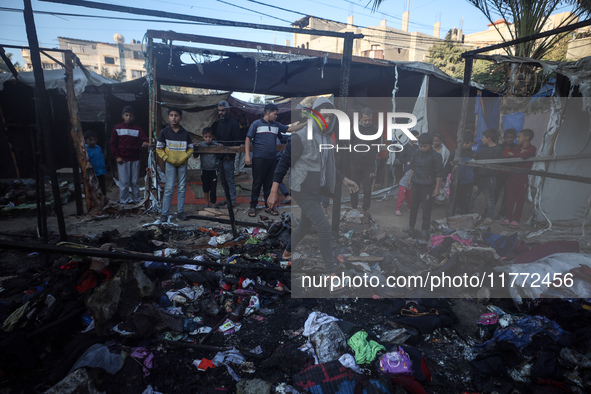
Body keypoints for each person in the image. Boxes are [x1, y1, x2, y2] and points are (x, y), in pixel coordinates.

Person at [267, 97, 358, 274]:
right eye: (324, 116)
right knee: (324, 226)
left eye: (330, 117)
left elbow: (329, 166)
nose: (327, 120)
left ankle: (287, 252)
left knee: (305, 226)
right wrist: (273, 191)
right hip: (302, 190)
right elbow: (283, 163)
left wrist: (345, 180)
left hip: (316, 190)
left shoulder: (328, 141)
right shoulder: (300, 137)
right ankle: (331, 273)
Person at [245, 103, 304, 217]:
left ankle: (269, 207)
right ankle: (253, 206)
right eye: (275, 114)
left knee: (269, 184)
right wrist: (247, 155)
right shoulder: (256, 124)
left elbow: (290, 128)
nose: (276, 116)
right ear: (268, 113)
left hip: (272, 159)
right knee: (257, 183)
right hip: (259, 158)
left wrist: (305, 124)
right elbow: (248, 138)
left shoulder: (276, 125)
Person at [156, 107, 194, 222]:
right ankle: (164, 213)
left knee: (182, 188)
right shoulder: (165, 132)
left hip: (182, 164)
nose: (174, 118)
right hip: (170, 164)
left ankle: (180, 212)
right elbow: (159, 148)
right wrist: (167, 158)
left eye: (176, 115)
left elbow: (191, 148)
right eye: (171, 115)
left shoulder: (185, 133)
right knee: (169, 188)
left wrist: (185, 157)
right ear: (168, 117)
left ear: (180, 118)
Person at [403, 133, 443, 240]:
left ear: (431, 145)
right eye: (421, 146)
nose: (422, 148)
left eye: (425, 146)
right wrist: (410, 180)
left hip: (428, 186)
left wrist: (437, 188)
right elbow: (413, 168)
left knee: (426, 208)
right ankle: (411, 226)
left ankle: (425, 229)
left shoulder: (436, 156)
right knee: (413, 207)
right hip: (416, 183)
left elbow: (439, 173)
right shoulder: (416, 153)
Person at [110, 105, 149, 204]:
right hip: (122, 159)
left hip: (135, 158)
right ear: (122, 116)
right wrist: (117, 156)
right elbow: (112, 144)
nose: (128, 117)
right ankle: (124, 200)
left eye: (131, 116)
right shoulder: (117, 128)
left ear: (134, 117)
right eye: (126, 115)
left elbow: (145, 138)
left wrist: (145, 142)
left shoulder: (137, 128)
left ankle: (137, 199)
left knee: (135, 181)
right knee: (124, 182)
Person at [502, 128, 536, 229]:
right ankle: (508, 217)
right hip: (512, 176)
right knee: (510, 198)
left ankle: (516, 219)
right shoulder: (517, 148)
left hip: (523, 178)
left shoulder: (532, 148)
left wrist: (516, 155)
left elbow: (524, 156)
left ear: (526, 137)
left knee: (520, 199)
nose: (517, 139)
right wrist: (517, 155)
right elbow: (511, 157)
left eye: (519, 137)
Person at [349, 107, 380, 212]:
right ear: (360, 118)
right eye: (365, 120)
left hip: (369, 164)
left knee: (367, 188)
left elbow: (378, 145)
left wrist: (371, 155)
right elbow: (350, 144)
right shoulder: (354, 129)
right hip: (355, 163)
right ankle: (353, 207)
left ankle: (365, 209)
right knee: (354, 186)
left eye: (369, 120)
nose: (367, 122)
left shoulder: (376, 129)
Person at [469, 128, 503, 224]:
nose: (482, 139)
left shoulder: (497, 151)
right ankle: (468, 212)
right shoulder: (484, 149)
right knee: (472, 195)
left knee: (489, 198)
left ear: (489, 138)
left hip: (489, 178)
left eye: (483, 138)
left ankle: (489, 216)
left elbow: (496, 166)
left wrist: (485, 172)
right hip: (480, 177)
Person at [212, 100, 240, 206]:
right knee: (223, 179)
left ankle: (232, 200)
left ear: (228, 110)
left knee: (230, 179)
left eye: (223, 110)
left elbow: (237, 141)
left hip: (228, 156)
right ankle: (227, 198)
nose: (220, 113)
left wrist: (229, 154)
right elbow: (213, 137)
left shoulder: (234, 123)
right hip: (219, 156)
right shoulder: (218, 123)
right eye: (219, 111)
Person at [395, 130, 420, 216]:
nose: (417, 139)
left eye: (417, 137)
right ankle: (398, 208)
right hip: (407, 170)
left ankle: (410, 206)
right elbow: (401, 158)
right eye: (416, 137)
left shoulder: (417, 148)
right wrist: (408, 161)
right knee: (404, 187)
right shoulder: (405, 147)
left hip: (416, 170)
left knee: (411, 190)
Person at [494, 128, 517, 218]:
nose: (509, 139)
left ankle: (502, 213)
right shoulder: (499, 147)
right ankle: (489, 212)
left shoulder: (516, 148)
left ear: (514, 138)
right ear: (504, 138)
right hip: (499, 173)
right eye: (507, 137)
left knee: (507, 194)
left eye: (511, 137)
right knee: (495, 193)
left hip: (510, 174)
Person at [450, 135, 476, 214]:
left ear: (472, 143)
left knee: (466, 202)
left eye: (467, 143)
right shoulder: (455, 153)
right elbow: (448, 166)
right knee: (453, 201)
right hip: (456, 182)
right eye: (462, 142)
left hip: (469, 183)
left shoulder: (474, 155)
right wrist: (444, 179)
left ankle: (464, 219)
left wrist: (476, 184)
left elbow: (477, 171)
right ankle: (450, 218)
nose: (464, 144)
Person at [194, 127, 218, 208]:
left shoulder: (216, 145)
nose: (208, 139)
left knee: (213, 188)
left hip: (214, 170)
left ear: (213, 137)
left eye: (210, 137)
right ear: (203, 137)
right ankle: (207, 202)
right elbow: (195, 155)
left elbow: (220, 155)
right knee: (205, 187)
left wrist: (221, 146)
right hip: (204, 169)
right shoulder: (201, 145)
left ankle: (213, 203)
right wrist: (195, 147)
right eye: (206, 137)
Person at [84, 130, 107, 195]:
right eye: (90, 140)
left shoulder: (98, 148)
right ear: (86, 140)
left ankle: (104, 202)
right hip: (92, 174)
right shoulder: (84, 150)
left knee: (102, 189)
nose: (93, 141)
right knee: (94, 190)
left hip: (101, 172)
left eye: (94, 140)